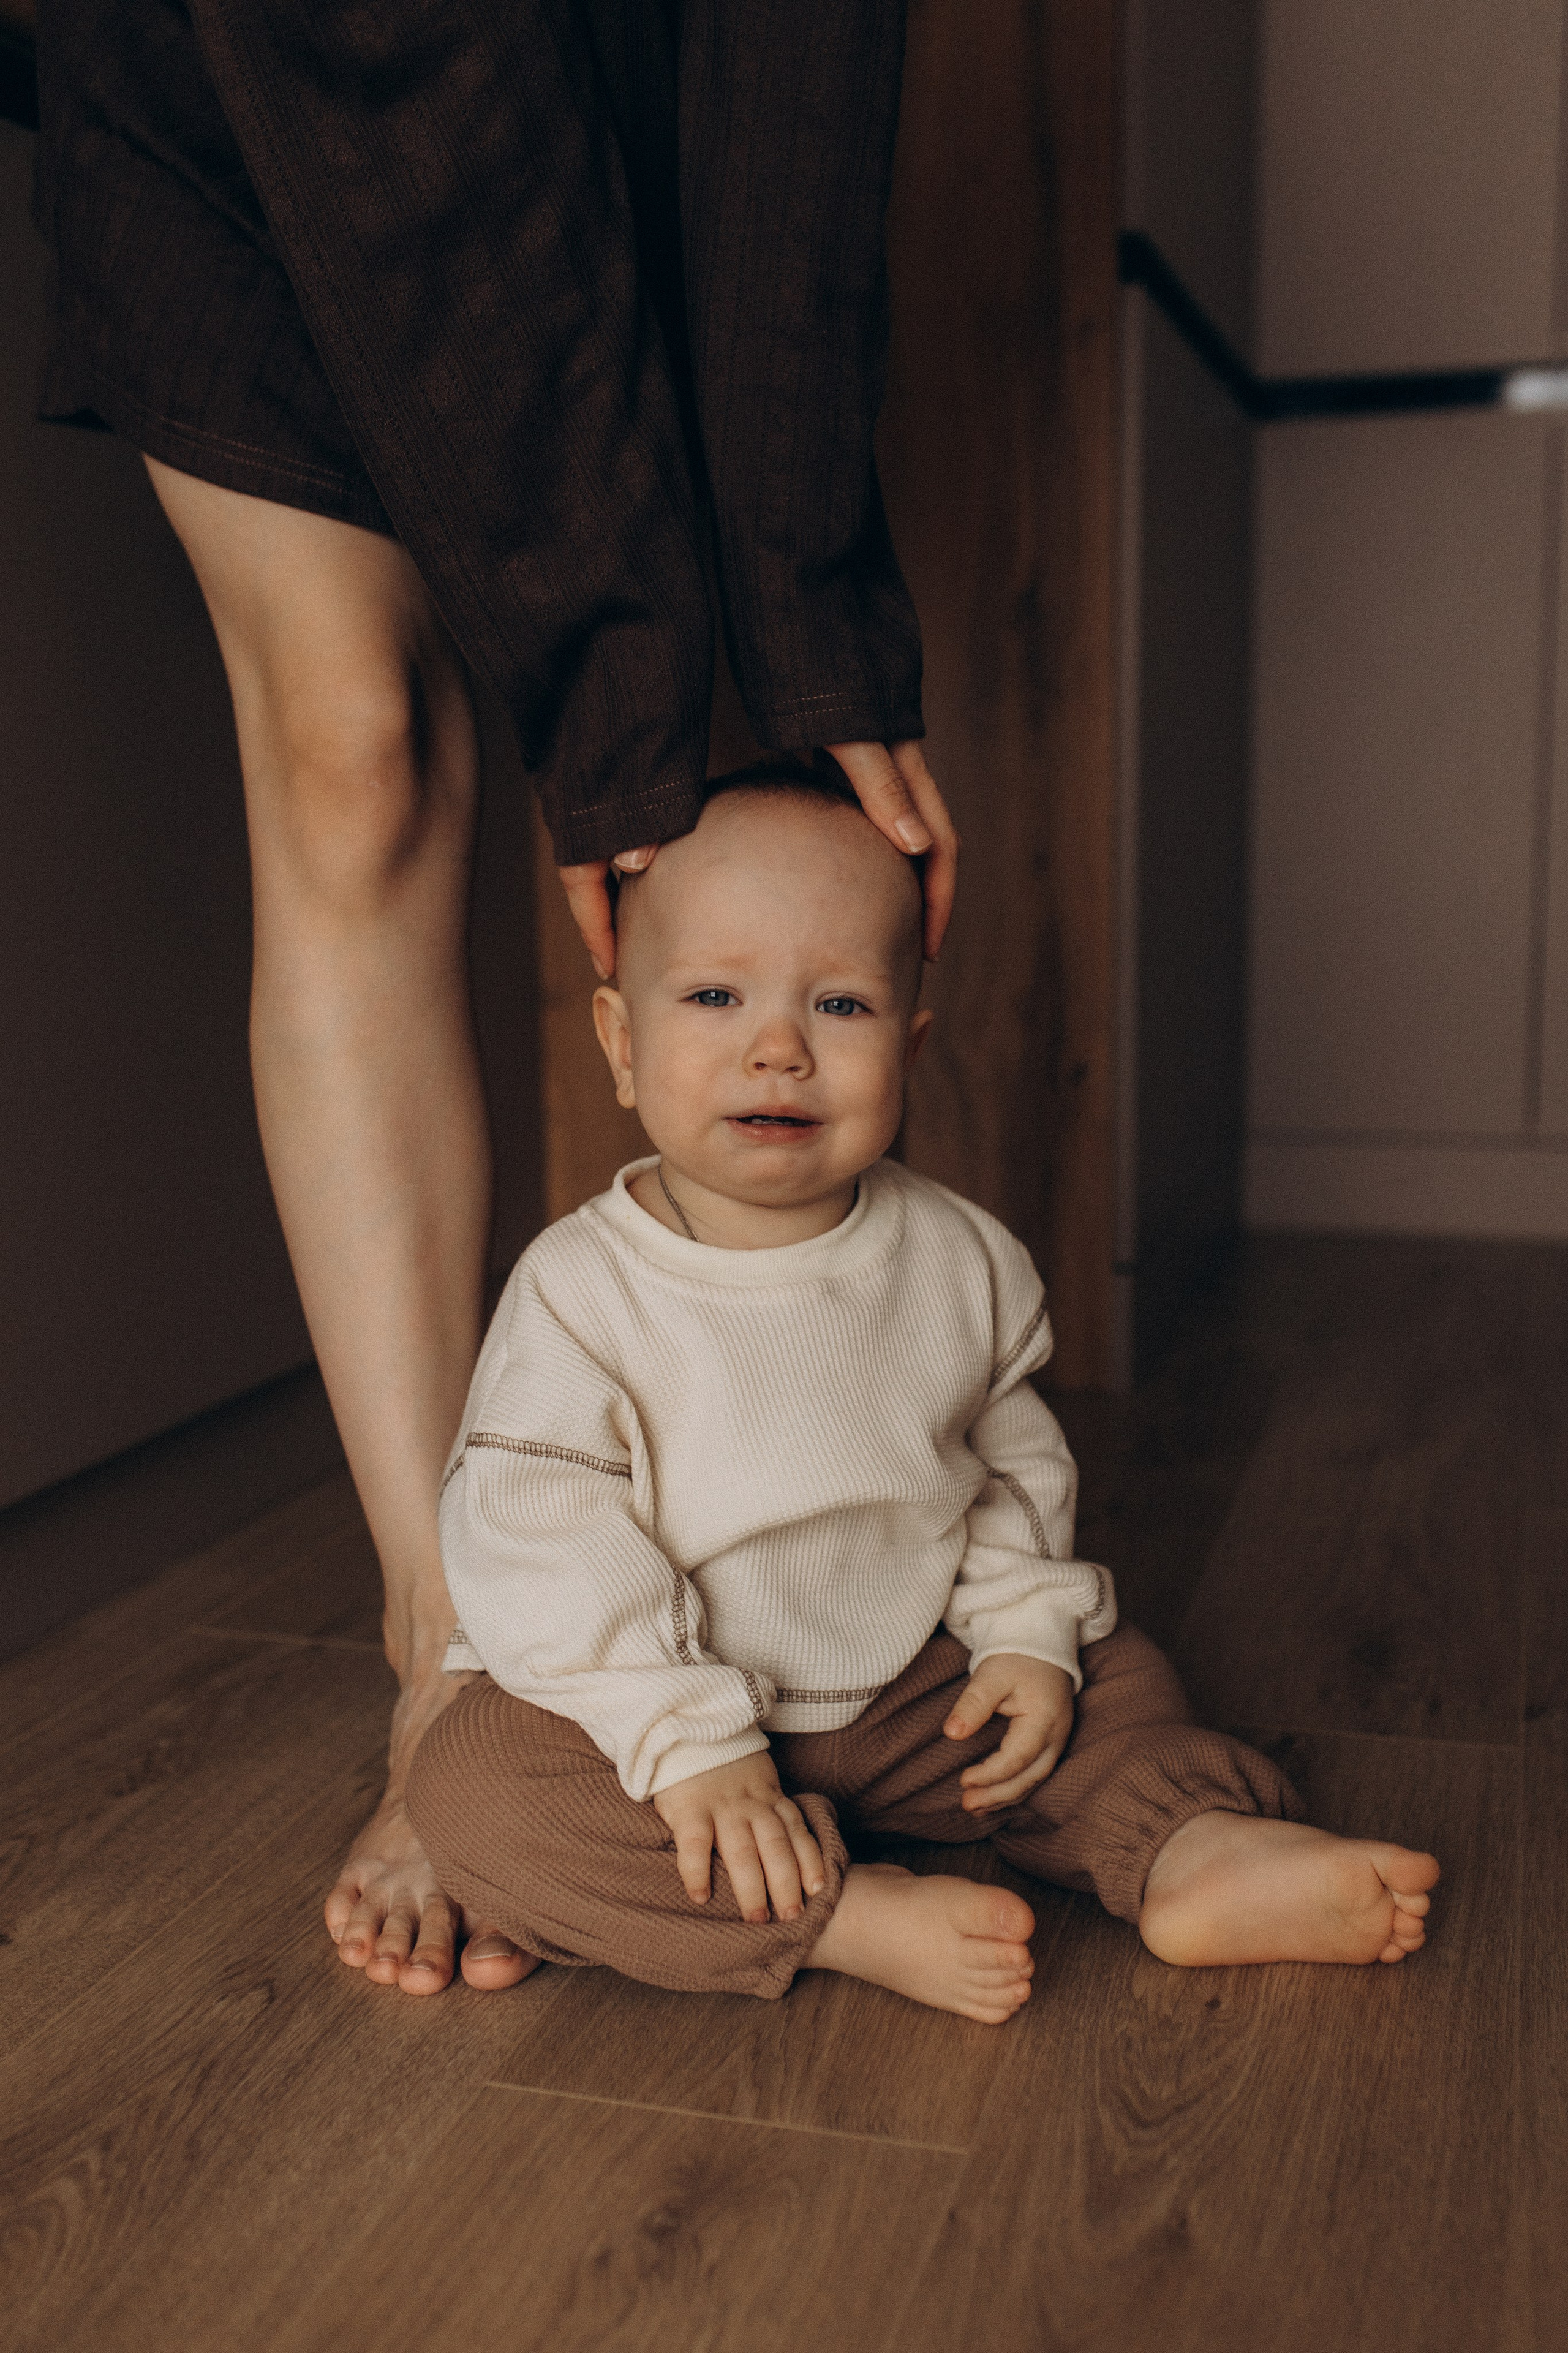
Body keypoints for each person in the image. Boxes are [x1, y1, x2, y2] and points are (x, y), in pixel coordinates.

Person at [33, 0, 959, 1992]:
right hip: (251, 62)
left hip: (629, 53)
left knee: (726, 805)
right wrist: (619, 703)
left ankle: (738, 1598)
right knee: (352, 744)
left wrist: (806, 614)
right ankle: (444, 1643)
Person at [405, 770, 1440, 2017]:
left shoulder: (960, 1259)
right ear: (622, 1042)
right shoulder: (578, 1289)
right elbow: (537, 1538)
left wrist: (1020, 1635)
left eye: (838, 1002)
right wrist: (690, 1743)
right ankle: (843, 1918)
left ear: (909, 1046)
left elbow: (1005, 1472)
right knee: (471, 1783)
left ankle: (1186, 1848)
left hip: (911, 1696)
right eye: (715, 995)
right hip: (664, 1735)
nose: (777, 1044)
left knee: (1107, 1669)